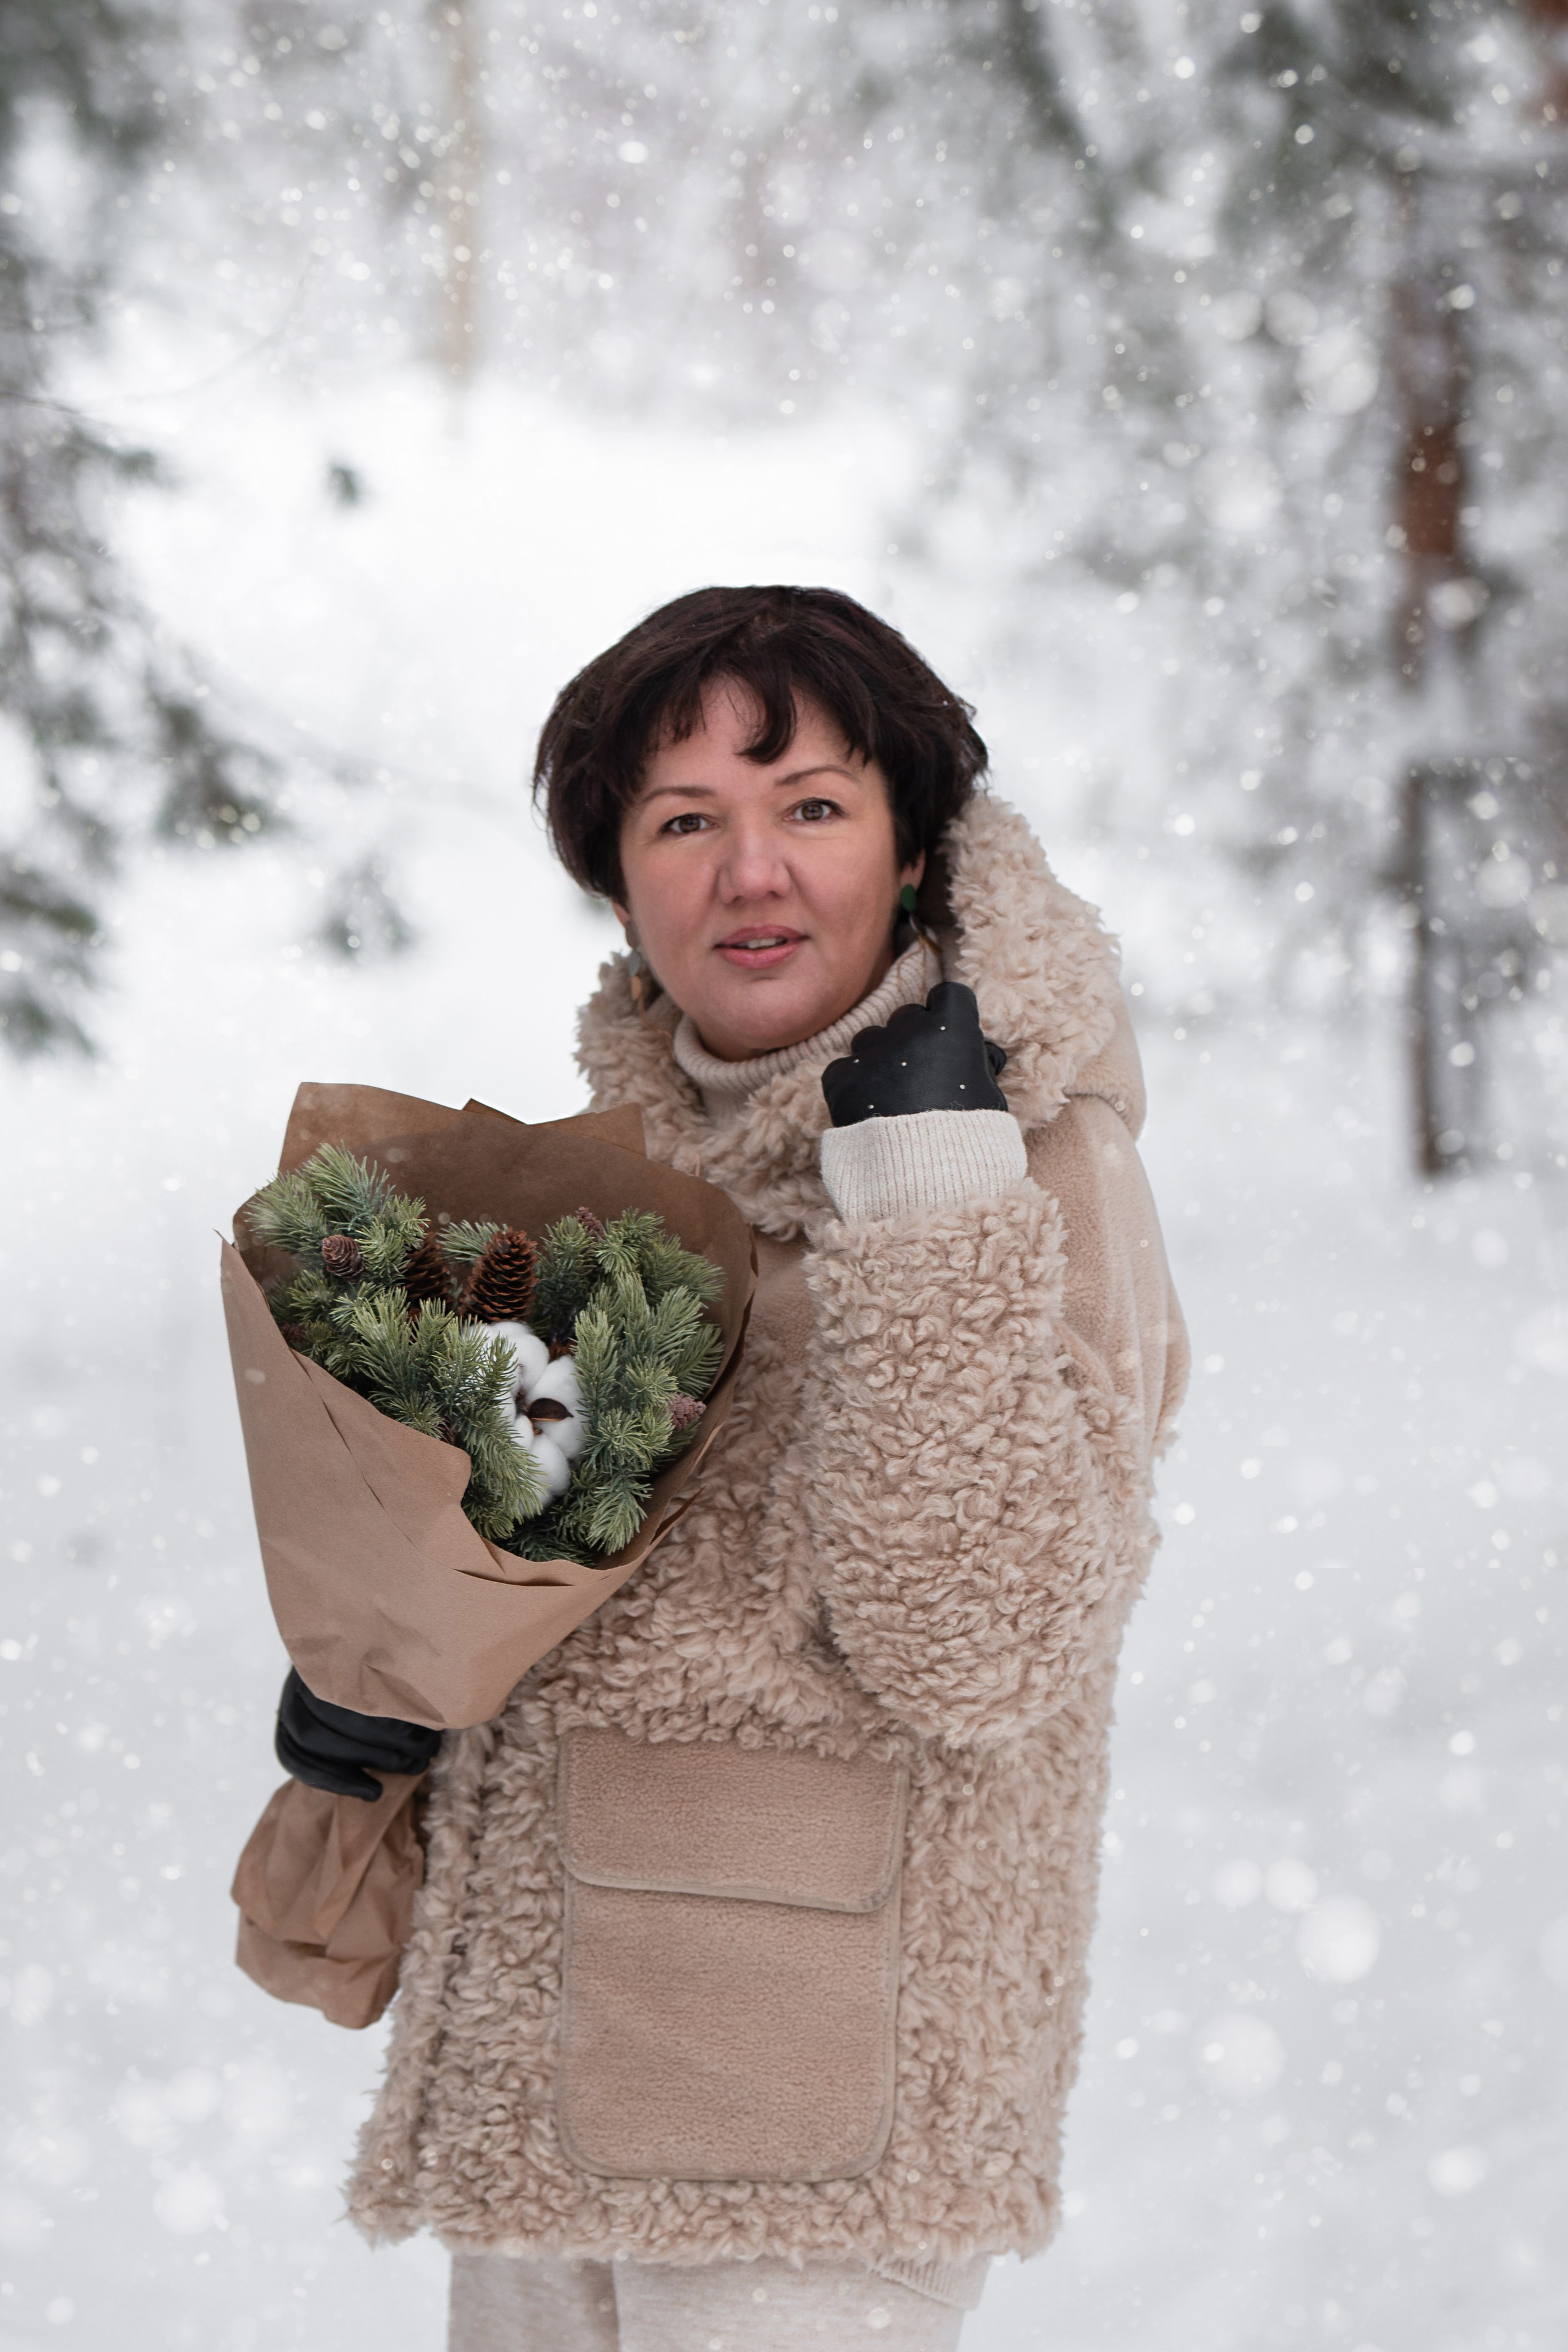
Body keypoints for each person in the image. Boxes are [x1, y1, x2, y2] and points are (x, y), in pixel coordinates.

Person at [278, 584, 1188, 2351]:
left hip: (815, 2126)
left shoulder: (1034, 1161)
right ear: (622, 886)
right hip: (549, 2104)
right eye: (685, 822)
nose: (749, 872)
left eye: (814, 810)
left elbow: (976, 1642)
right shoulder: (594, 1196)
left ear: (917, 856)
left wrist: (928, 1177)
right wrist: (392, 1704)